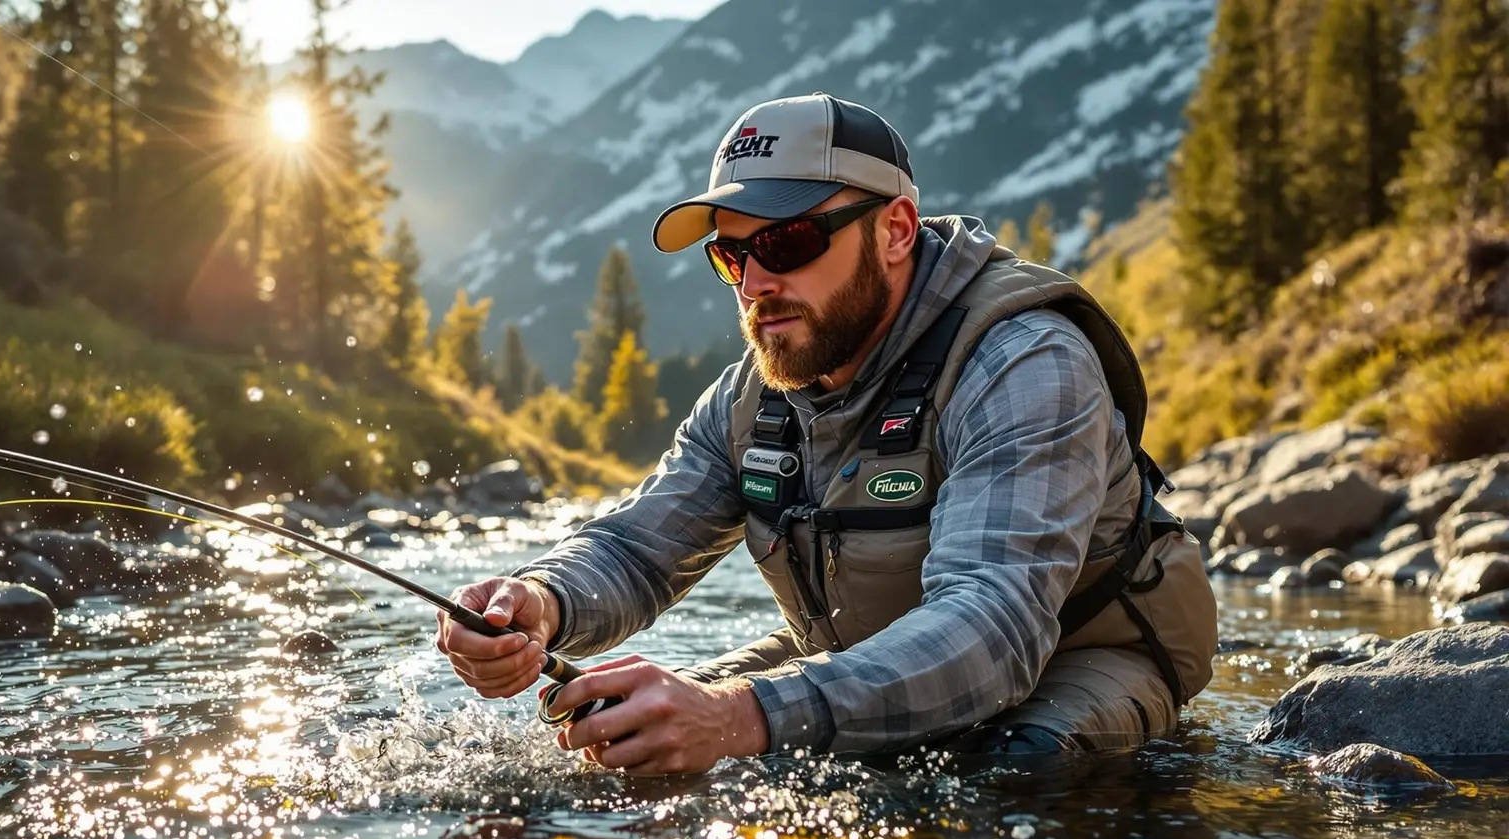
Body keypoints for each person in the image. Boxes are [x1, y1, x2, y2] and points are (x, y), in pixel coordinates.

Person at [434, 92, 1219, 774]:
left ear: (897, 230)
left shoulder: (1023, 362)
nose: (756, 283)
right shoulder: (755, 392)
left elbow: (993, 627)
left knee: (1002, 774)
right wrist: (539, 601)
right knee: (634, 742)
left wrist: (740, 717)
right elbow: (638, 549)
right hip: (866, 649)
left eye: (786, 242)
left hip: (1077, 653)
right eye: (731, 256)